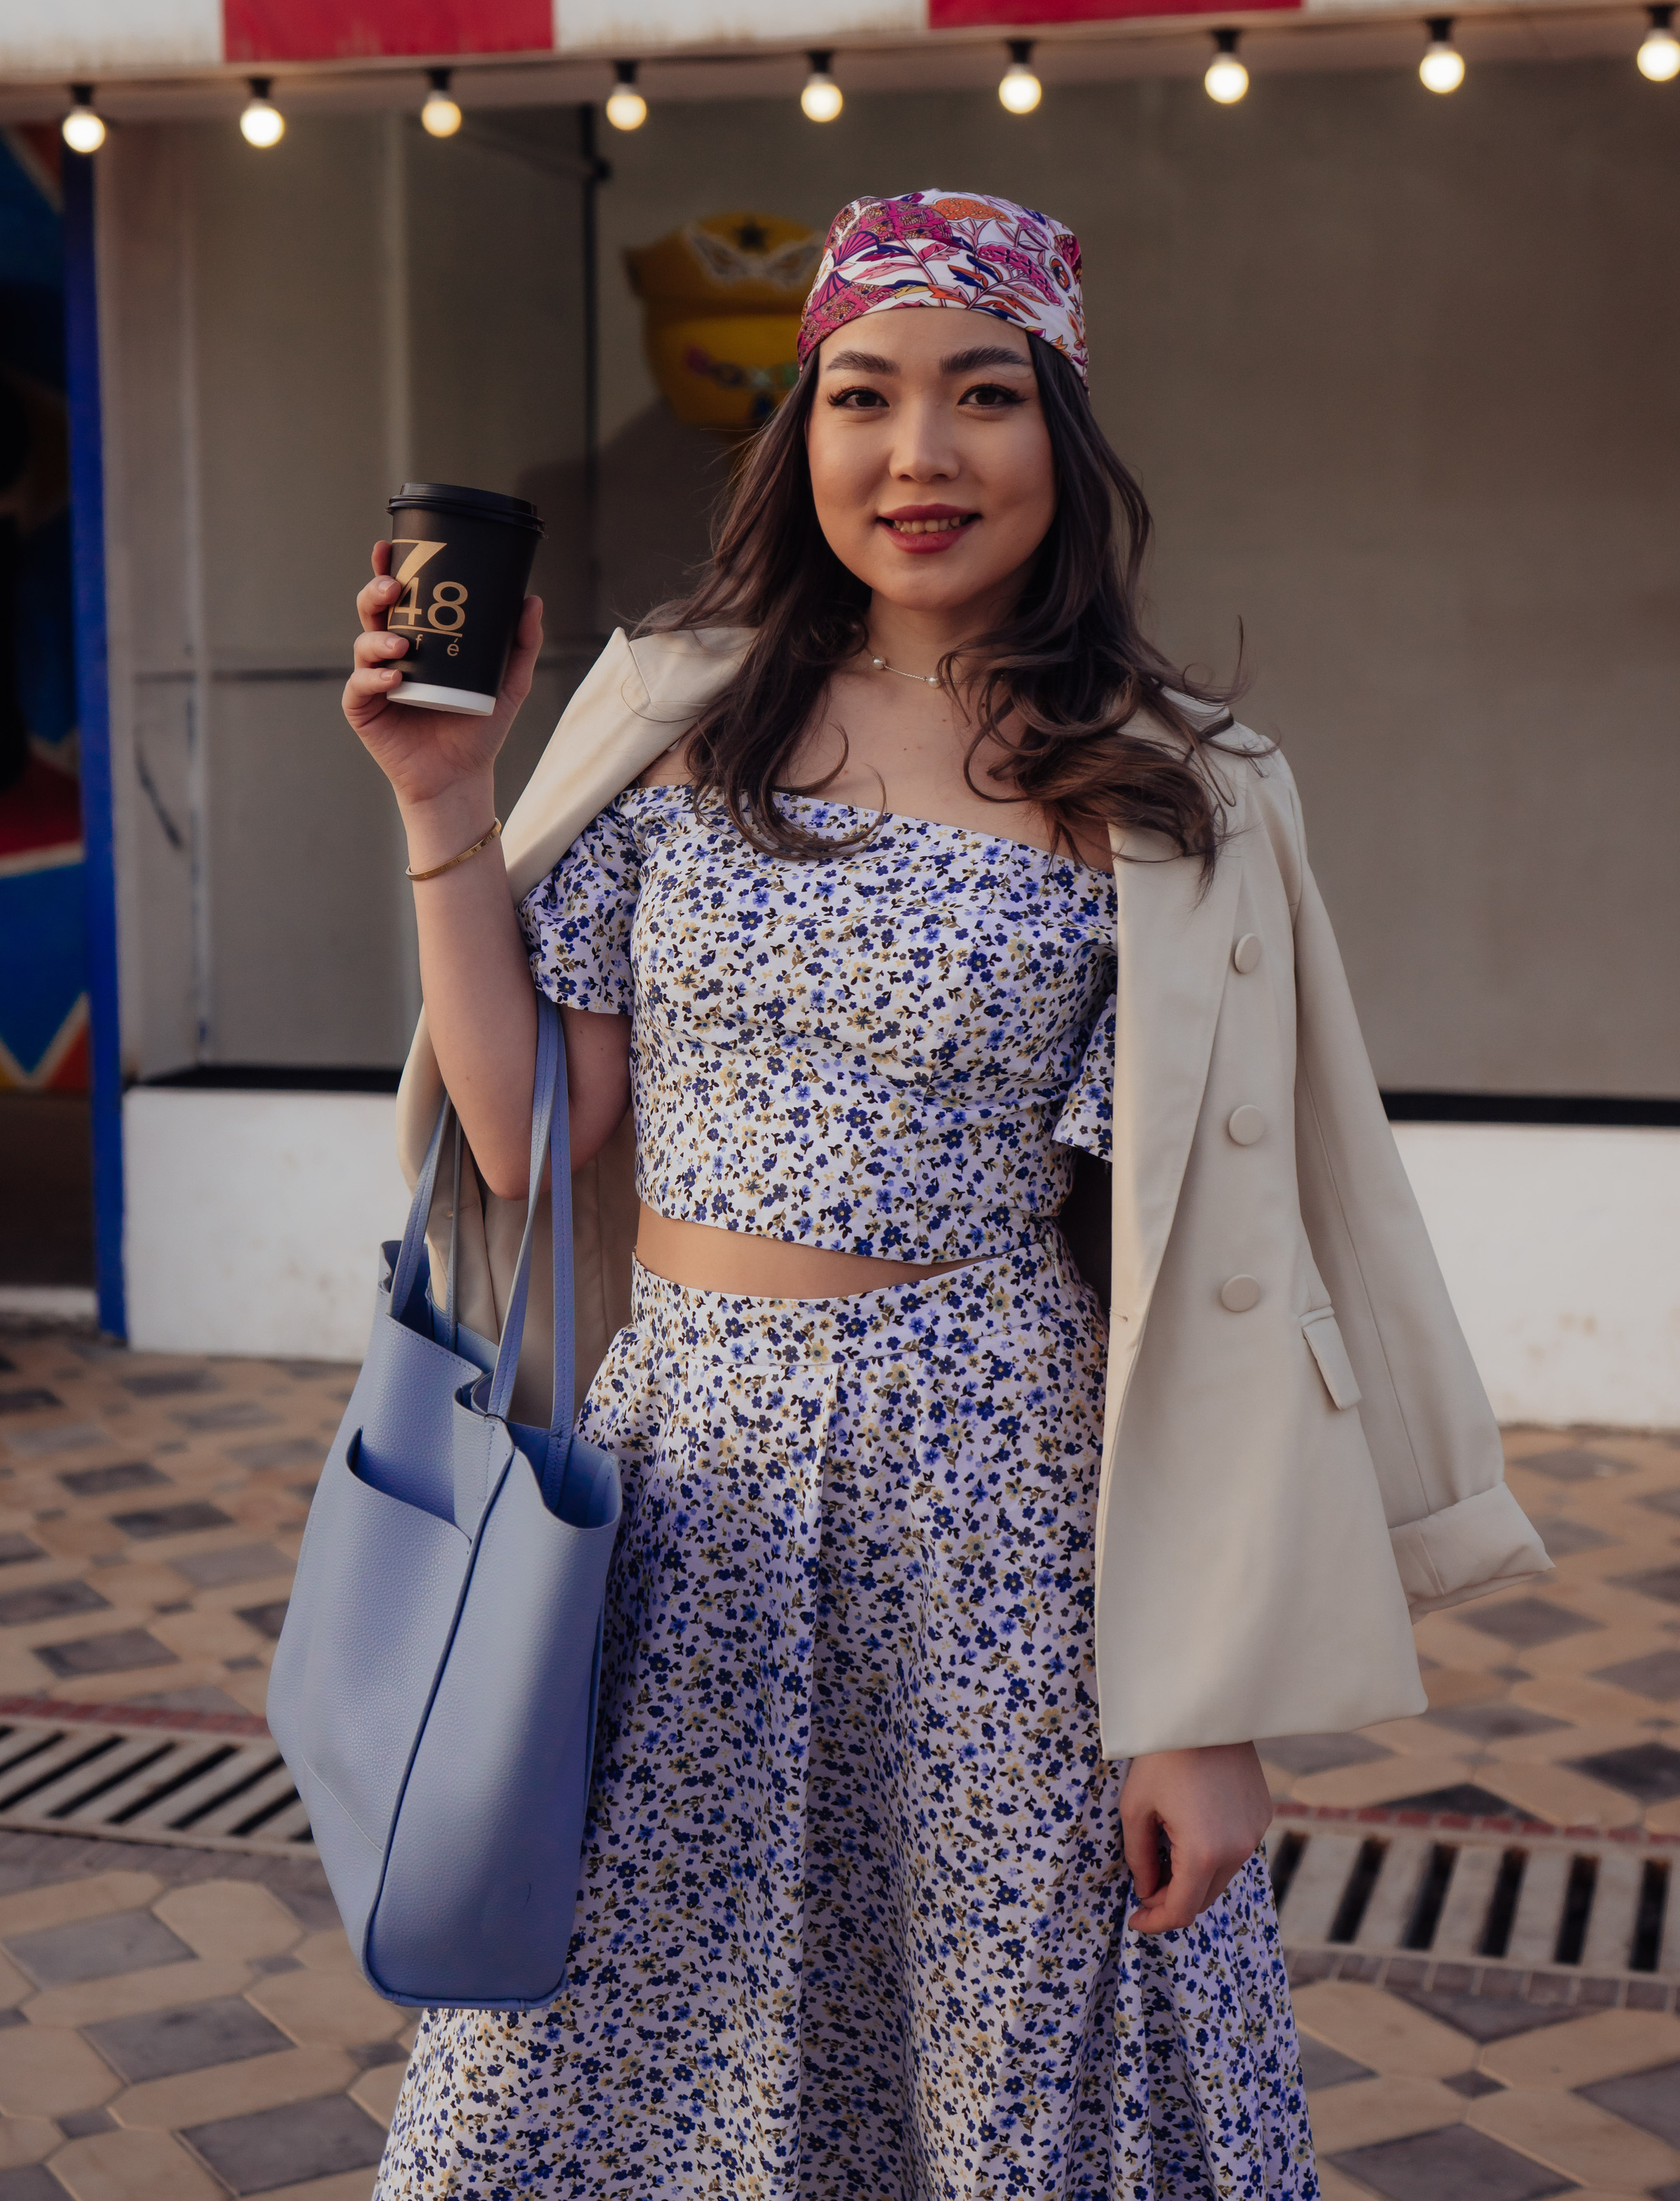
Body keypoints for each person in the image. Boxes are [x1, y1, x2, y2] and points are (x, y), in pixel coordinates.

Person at [348, 191, 1547, 2198]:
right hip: (679, 1493)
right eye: (864, 397)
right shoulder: (674, 712)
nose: (919, 455)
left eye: (983, 395)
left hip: (999, 1499)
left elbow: (1234, 1268)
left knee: (1013, 2061)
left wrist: (1203, 1703)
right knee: (622, 2053)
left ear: (1059, 437)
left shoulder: (1170, 787)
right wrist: (440, 805)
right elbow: (524, 1138)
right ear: (798, 436)